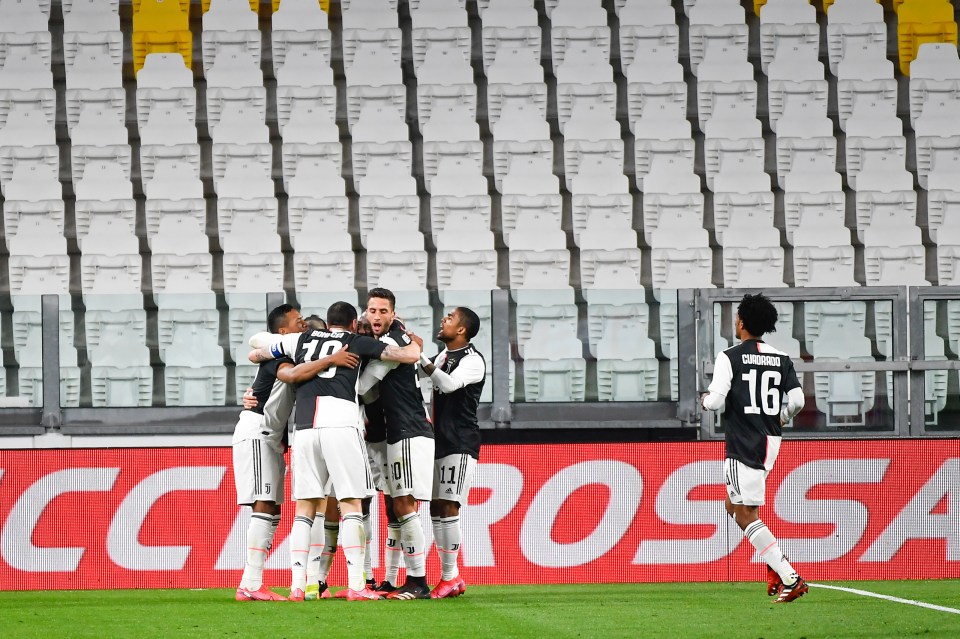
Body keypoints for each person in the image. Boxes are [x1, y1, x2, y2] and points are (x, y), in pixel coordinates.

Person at [249, 301, 421, 601]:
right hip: (341, 422)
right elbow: (410, 354)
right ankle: (357, 584)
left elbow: (256, 353)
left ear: (327, 323)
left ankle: (298, 586)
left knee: (305, 508)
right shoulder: (356, 341)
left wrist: (267, 371)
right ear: (354, 323)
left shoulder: (299, 339)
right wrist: (406, 334)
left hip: (303, 425)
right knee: (351, 504)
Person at [234, 304, 357, 601]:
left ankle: (297, 582)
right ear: (283, 332)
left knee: (273, 510)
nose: (304, 328)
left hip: (274, 437)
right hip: (257, 431)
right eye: (298, 323)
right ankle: (250, 583)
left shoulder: (296, 354)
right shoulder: (281, 357)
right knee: (264, 506)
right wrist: (333, 358)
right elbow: (265, 351)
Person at [700, 293, 808, 604]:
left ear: (743, 322)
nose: (735, 322)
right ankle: (774, 565)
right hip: (770, 441)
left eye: (737, 317)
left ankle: (790, 576)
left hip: (743, 439)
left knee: (744, 513)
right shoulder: (781, 358)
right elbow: (798, 401)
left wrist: (705, 401)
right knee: (734, 506)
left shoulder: (729, 356)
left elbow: (717, 400)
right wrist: (783, 417)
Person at [357, 288, 435, 600]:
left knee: (404, 504)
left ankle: (418, 581)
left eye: (382, 311)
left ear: (393, 313)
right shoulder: (398, 335)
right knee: (396, 504)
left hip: (407, 430)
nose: (376, 316)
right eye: (371, 310)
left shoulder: (390, 343)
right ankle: (394, 580)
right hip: (401, 430)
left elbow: (363, 388)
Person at [410, 307, 485, 599]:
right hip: (437, 440)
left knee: (450, 505)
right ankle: (450, 577)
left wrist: (419, 355)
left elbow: (449, 384)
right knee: (436, 507)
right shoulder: (443, 356)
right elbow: (426, 376)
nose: (444, 320)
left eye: (450, 318)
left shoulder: (473, 360)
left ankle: (449, 576)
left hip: (461, 441)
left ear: (463, 329)